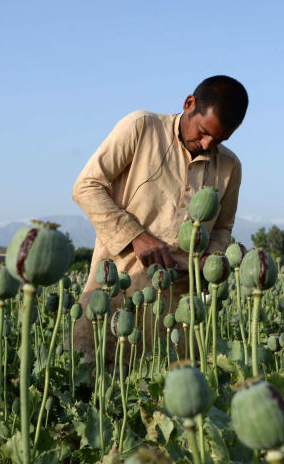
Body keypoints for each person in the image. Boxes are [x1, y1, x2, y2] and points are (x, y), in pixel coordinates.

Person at [72, 75, 248, 359]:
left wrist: (211, 258)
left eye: (218, 140)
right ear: (189, 104)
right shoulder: (142, 128)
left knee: (161, 388)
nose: (206, 144)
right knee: (92, 381)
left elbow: (223, 227)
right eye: (203, 132)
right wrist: (137, 237)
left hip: (177, 310)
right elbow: (86, 187)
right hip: (115, 290)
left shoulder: (230, 166)